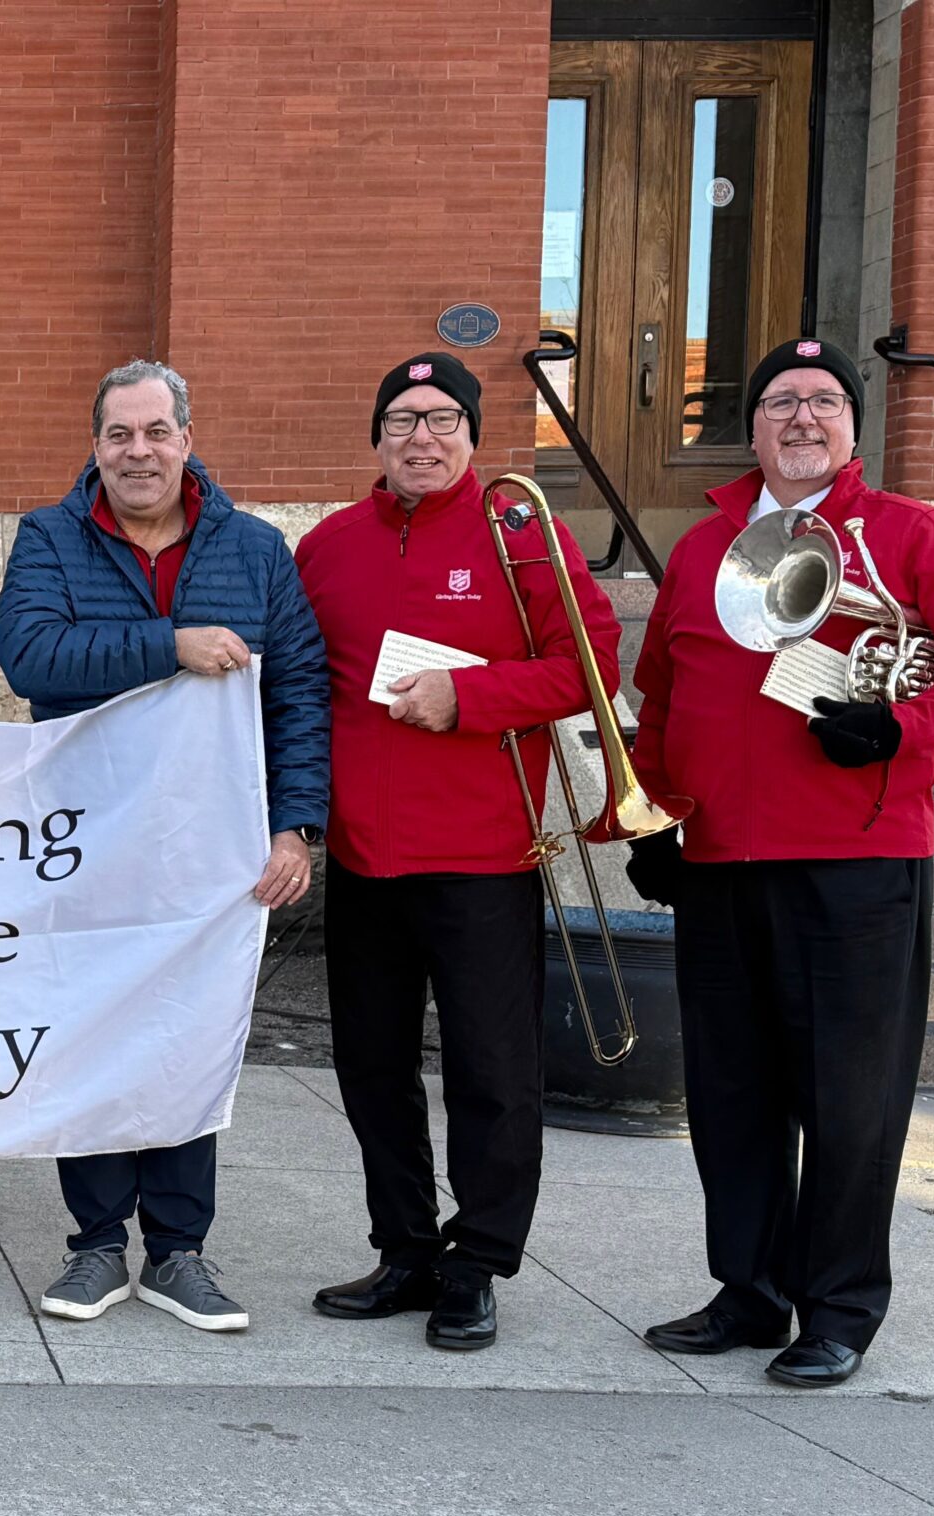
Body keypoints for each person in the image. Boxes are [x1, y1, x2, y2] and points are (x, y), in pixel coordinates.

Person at [626, 337, 934, 1387]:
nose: (802, 417)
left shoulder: (910, 533)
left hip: (854, 862)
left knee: (848, 1099)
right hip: (720, 859)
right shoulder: (702, 548)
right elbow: (663, 695)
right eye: (781, 401)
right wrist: (652, 820)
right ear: (751, 428)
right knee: (731, 1094)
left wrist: (901, 727)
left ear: (852, 425)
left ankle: (837, 1310)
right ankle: (749, 1292)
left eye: (824, 401)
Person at [294, 353, 622, 1352]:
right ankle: (404, 1249)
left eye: (443, 419)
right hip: (365, 858)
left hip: (484, 854)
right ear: (376, 436)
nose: (422, 437)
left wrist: (469, 698)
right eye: (402, 419)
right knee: (372, 1067)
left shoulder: (522, 534)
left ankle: (477, 1262)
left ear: (473, 436)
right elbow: (301, 685)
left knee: (492, 1071)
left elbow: (591, 666)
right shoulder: (329, 546)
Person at [0, 357, 329, 1332]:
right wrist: (168, 643)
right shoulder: (49, 538)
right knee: (90, 1033)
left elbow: (298, 693)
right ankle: (97, 1244)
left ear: (186, 438)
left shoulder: (256, 551)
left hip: (209, 850)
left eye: (154, 432)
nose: (136, 452)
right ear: (95, 445)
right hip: (85, 840)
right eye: (118, 435)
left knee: (190, 1037)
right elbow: (29, 656)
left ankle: (179, 1251)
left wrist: (295, 825)